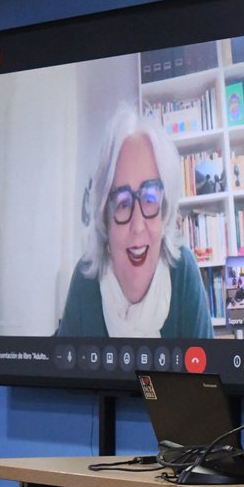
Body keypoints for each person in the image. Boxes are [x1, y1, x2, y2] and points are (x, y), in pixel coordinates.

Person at [56, 105, 214, 339]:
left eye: (150, 198)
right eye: (122, 202)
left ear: (165, 212)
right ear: (105, 219)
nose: (138, 225)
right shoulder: (85, 280)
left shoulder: (182, 273)